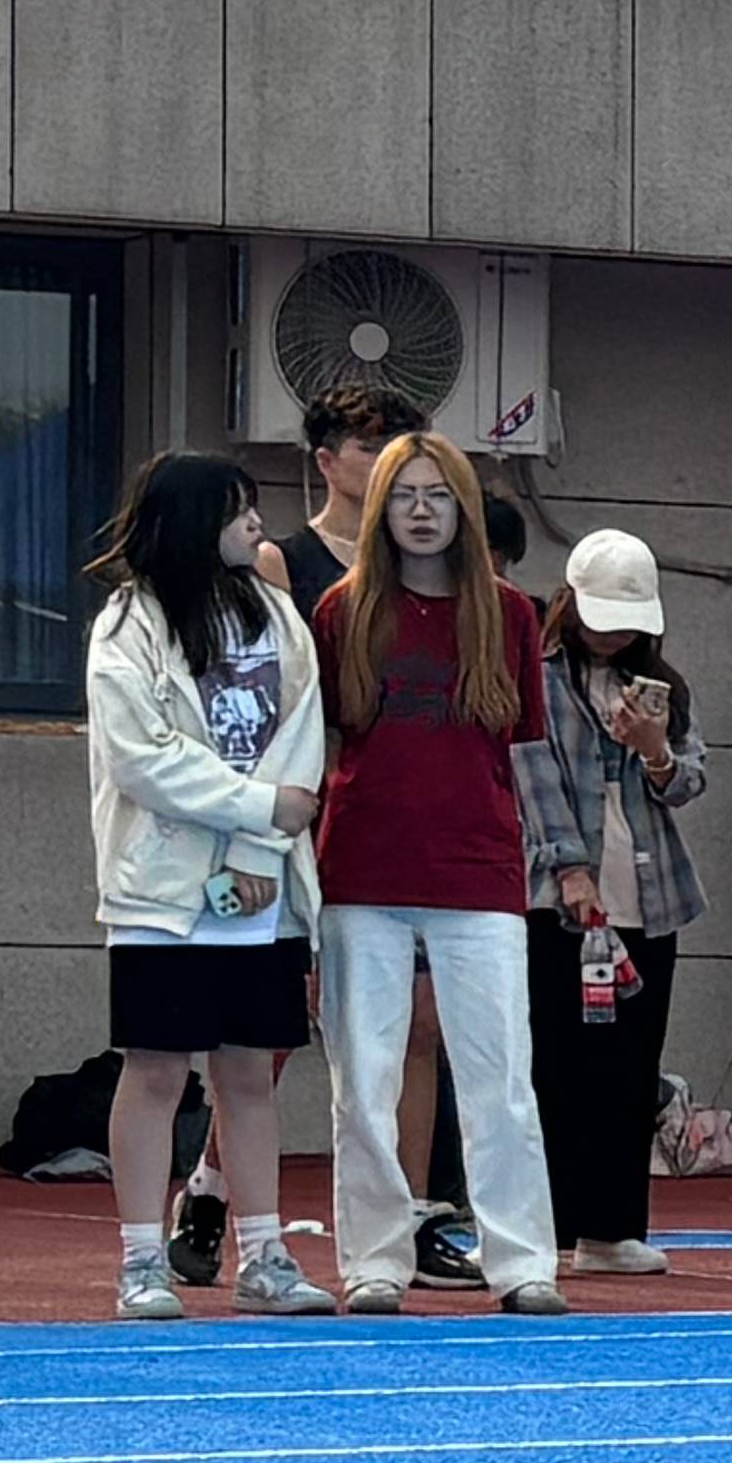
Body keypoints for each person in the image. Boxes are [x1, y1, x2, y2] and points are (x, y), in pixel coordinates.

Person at [307, 434, 558, 1313]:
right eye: (405, 495)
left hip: (478, 872)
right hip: (362, 872)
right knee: (363, 1081)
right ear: (380, 509)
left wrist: (559, 865)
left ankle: (521, 1262)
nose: (421, 511)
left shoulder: (511, 615)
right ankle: (375, 1260)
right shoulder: (340, 611)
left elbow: (524, 749)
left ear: (464, 509)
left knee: (501, 1077)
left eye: (438, 495)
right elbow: (322, 742)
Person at [78, 454, 325, 1322]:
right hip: (161, 893)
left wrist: (260, 848)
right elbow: (142, 758)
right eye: (237, 510)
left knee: (249, 1073)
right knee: (155, 1072)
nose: (256, 524)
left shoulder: (277, 614)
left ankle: (264, 1255)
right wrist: (257, 806)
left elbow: (302, 729)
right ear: (189, 522)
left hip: (264, 889)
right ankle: (141, 1260)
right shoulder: (128, 624)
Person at [515, 528, 710, 1284]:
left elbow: (688, 782)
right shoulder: (536, 676)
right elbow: (531, 775)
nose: (613, 633)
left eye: (627, 621)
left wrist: (654, 748)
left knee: (632, 1065)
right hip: (556, 897)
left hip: (649, 895)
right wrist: (570, 869)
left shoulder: (661, 687)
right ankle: (546, 1225)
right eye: (601, 616)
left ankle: (613, 1226)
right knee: (556, 1062)